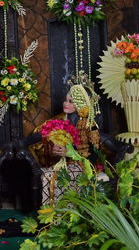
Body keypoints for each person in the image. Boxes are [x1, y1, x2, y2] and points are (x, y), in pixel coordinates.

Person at [38, 77, 102, 205]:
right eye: (66, 100)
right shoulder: (66, 121)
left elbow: (95, 154)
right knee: (44, 173)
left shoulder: (90, 125)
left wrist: (70, 153)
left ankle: (64, 213)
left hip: (85, 166)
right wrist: (59, 150)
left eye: (70, 101)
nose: (65, 104)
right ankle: (54, 214)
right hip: (68, 163)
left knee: (49, 175)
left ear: (80, 104)